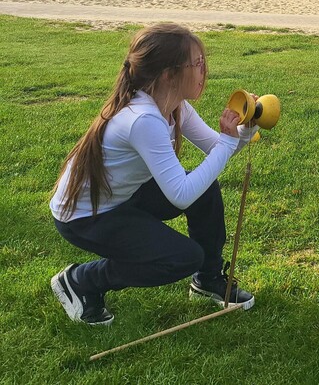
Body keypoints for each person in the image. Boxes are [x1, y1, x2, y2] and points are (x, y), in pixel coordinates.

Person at [49, 23, 259, 326]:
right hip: (85, 217)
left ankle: (208, 279)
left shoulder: (175, 106)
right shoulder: (143, 118)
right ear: (168, 74)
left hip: (122, 198)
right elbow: (181, 193)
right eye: (197, 64)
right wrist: (228, 142)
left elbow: (216, 149)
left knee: (205, 189)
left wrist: (244, 128)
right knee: (182, 257)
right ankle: (82, 281)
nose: (204, 71)